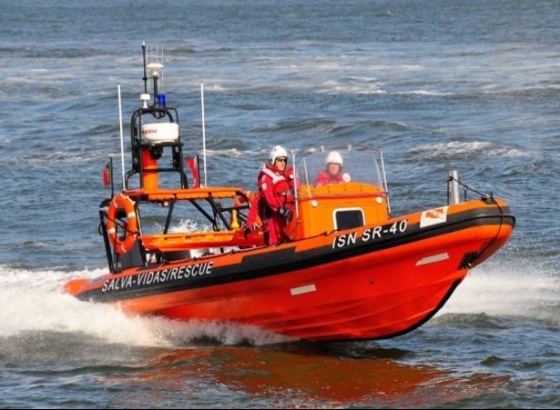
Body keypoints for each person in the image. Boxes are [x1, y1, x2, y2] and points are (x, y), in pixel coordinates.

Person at [246, 145, 295, 245]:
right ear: (273, 160)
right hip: (274, 220)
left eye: (284, 161)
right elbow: (267, 199)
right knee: (276, 242)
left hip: (288, 216)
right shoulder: (266, 178)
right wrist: (250, 222)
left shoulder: (285, 177)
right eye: (280, 160)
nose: (282, 163)